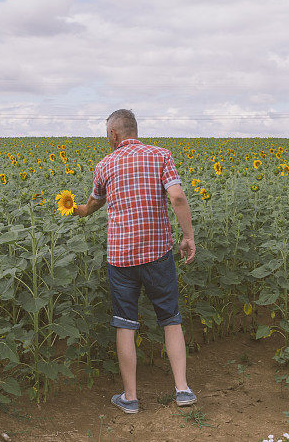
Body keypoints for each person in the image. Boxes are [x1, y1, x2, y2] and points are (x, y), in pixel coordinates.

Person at [72, 109, 197, 414]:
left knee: (125, 324)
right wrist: (188, 235)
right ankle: (182, 390)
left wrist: (74, 210)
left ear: (114, 134)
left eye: (106, 133)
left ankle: (130, 398)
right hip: (157, 254)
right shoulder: (160, 156)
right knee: (171, 319)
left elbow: (93, 204)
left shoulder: (105, 165)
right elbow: (178, 198)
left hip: (121, 257)